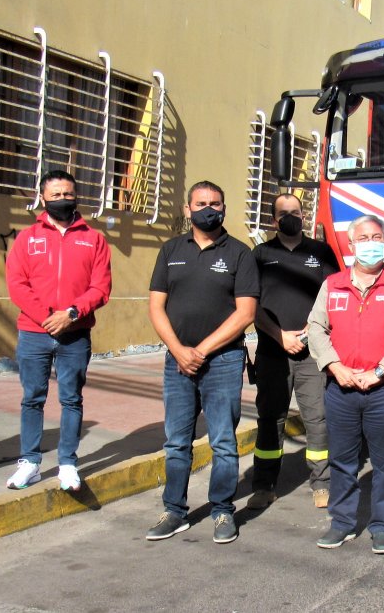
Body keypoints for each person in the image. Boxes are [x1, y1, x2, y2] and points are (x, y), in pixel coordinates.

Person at [146, 180, 259, 544]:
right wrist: (179, 350)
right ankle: (174, 511)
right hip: (176, 361)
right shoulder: (170, 250)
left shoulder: (241, 254)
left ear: (224, 208)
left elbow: (245, 314)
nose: (208, 208)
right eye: (201, 203)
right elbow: (155, 306)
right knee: (177, 442)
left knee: (223, 442)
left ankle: (222, 510)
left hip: (223, 362)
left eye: (215, 203)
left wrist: (201, 351)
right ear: (187, 209)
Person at [307, 215, 384, 554]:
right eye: (364, 238)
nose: (370, 243)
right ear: (351, 243)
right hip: (341, 390)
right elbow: (316, 328)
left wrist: (379, 372)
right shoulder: (333, 285)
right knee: (342, 461)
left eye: (376, 237)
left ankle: (382, 527)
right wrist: (334, 365)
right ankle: (341, 523)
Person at [4, 170, 112, 493]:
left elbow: (101, 287)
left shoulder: (94, 239)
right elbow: (17, 285)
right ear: (43, 198)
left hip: (75, 334)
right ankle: (30, 462)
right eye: (55, 195)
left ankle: (67, 463)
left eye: (68, 194)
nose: (62, 200)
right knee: (32, 398)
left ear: (76, 196)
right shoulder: (27, 238)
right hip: (34, 333)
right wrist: (47, 317)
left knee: (71, 399)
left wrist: (72, 314)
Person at [248, 193, 340, 510]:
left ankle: (322, 484)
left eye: (297, 212)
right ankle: (264, 485)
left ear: (304, 216)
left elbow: (334, 297)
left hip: (313, 352)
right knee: (270, 420)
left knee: (318, 420)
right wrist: (279, 335)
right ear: (275, 220)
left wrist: (311, 331)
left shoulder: (321, 252)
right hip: (273, 352)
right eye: (284, 213)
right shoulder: (260, 254)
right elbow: (250, 304)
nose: (291, 217)